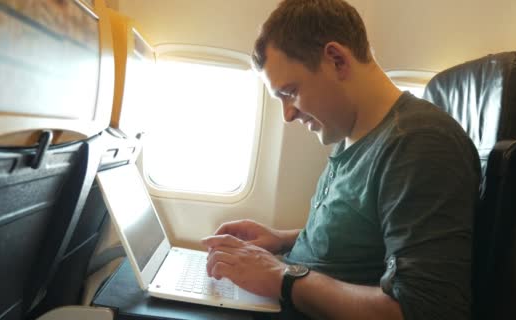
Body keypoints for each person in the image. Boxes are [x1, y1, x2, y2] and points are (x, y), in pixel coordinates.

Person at [201, 0, 480, 319]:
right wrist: (281, 240)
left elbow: (426, 308)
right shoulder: (352, 134)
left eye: (290, 92)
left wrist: (282, 277)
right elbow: (367, 232)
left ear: (336, 60)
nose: (288, 114)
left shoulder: (420, 144)